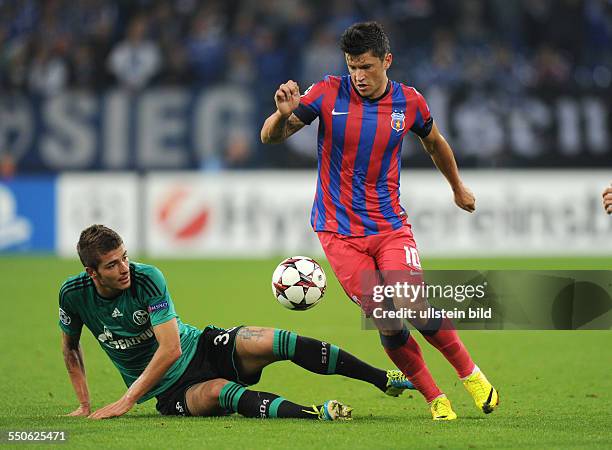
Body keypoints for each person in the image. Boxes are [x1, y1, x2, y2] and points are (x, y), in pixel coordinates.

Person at [261, 21, 499, 420]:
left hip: (389, 226)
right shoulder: (324, 93)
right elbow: (271, 137)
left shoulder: (410, 102)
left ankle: (470, 374)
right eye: (353, 66)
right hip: (337, 232)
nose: (359, 76)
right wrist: (281, 116)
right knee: (388, 322)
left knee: (414, 303)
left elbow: (435, 142)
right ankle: (434, 397)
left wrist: (457, 187)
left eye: (367, 66)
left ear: (387, 61)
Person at [59, 224, 414, 420]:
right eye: (112, 265)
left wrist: (126, 399)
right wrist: (85, 404)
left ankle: (384, 380)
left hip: (200, 346)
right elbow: (70, 348)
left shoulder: (147, 278)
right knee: (222, 393)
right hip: (169, 392)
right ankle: (317, 414)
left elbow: (171, 348)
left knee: (279, 341)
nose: (124, 269)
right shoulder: (73, 295)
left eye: (125, 258)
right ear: (91, 272)